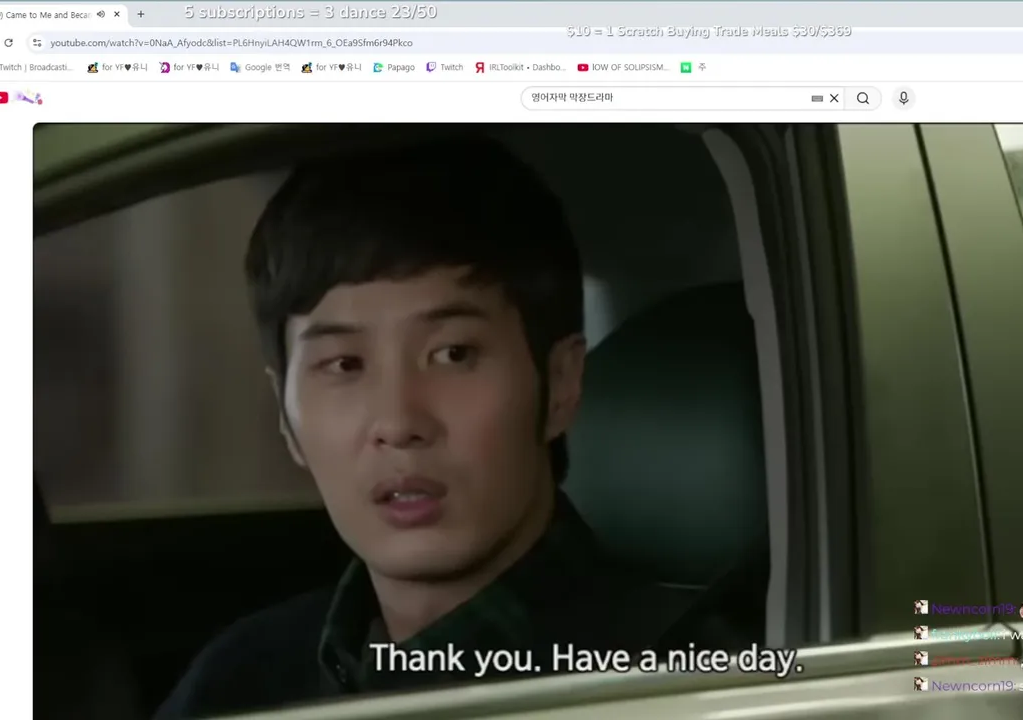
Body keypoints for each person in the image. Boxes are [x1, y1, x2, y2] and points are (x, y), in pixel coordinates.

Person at [154, 138, 744, 719]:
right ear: (285, 416)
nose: (398, 423)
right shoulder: (243, 678)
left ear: (560, 384)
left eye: (453, 354)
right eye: (344, 364)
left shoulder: (683, 684)